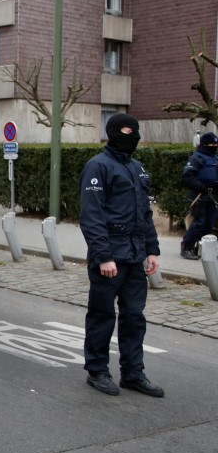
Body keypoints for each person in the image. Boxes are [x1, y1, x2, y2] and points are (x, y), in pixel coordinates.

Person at [79, 113, 164, 398]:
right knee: (102, 315)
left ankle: (133, 372)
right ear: (113, 132)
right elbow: (92, 216)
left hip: (135, 256)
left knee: (134, 317)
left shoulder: (138, 168)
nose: (133, 136)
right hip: (109, 257)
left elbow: (145, 214)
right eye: (128, 131)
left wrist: (152, 250)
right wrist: (103, 256)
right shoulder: (97, 166)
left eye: (136, 131)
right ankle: (97, 370)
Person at [180, 131, 218, 260]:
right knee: (199, 223)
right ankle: (187, 247)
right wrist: (203, 187)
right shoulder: (196, 157)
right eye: (211, 144)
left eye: (216, 143)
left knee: (209, 224)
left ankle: (203, 249)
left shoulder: (215, 158)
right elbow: (187, 177)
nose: (214, 146)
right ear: (204, 144)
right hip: (200, 195)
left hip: (213, 197)